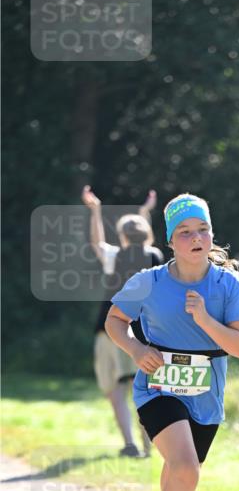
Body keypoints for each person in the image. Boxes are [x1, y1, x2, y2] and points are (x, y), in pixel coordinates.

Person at [105, 193, 239, 491]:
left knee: (179, 475)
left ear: (211, 234)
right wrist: (136, 351)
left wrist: (206, 319)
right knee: (185, 467)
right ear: (171, 241)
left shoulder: (229, 286)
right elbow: (115, 321)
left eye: (202, 229)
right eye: (185, 232)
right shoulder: (149, 282)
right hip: (158, 388)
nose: (195, 238)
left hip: (206, 397)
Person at [82, 185, 163, 457]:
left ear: (122, 236)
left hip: (111, 329)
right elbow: (145, 241)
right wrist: (143, 212)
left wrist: (95, 211)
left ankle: (129, 443)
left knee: (114, 388)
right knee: (142, 388)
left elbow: (96, 243)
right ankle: (148, 444)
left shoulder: (115, 256)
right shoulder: (155, 257)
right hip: (143, 333)